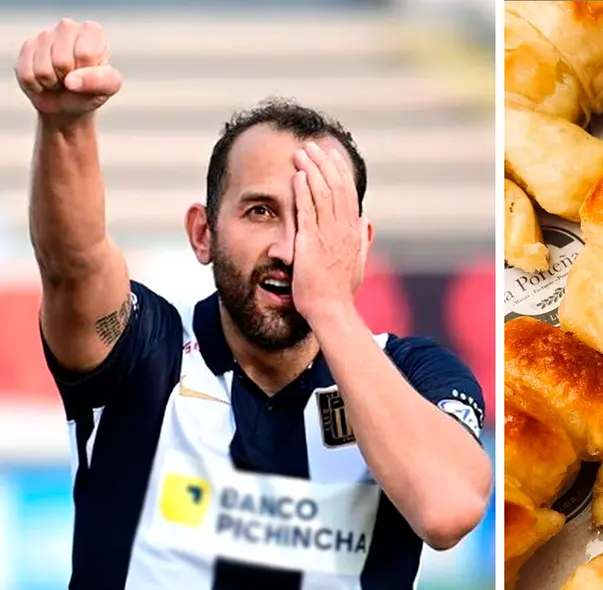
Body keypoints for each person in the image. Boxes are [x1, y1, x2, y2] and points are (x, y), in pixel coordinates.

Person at [14, 18, 494, 590]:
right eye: (260, 211)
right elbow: (73, 264)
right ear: (203, 233)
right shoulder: (144, 353)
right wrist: (65, 124)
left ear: (359, 246)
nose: (288, 249)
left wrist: (330, 306)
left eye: (317, 218)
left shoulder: (415, 374)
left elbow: (446, 509)